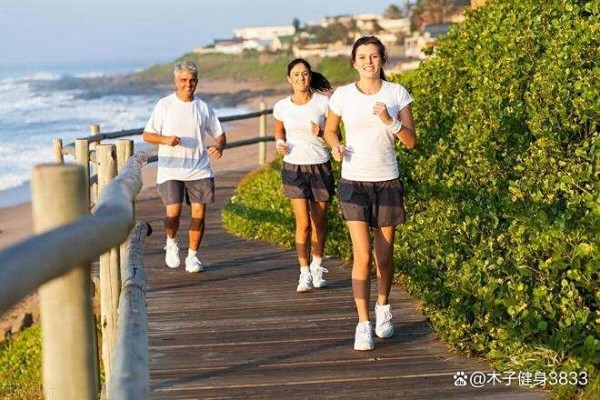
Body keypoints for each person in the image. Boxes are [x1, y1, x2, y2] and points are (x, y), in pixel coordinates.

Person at [323, 36, 417, 350]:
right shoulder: (343, 95)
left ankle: (383, 307)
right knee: (362, 255)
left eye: (374, 56)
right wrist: (335, 146)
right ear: (354, 62)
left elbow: (411, 142)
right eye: (362, 57)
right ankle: (363, 323)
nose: (368, 62)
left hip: (387, 181)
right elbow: (330, 130)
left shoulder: (397, 93)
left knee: (384, 258)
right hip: (354, 182)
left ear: (382, 60)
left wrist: (390, 121)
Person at [142, 60, 226, 273]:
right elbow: (147, 135)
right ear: (176, 80)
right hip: (171, 169)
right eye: (184, 80)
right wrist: (165, 139)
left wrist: (219, 146)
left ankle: (193, 256)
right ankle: (171, 242)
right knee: (174, 212)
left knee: (199, 214)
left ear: (197, 81)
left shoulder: (203, 107)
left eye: (192, 80)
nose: (188, 84)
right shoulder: (165, 105)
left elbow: (220, 134)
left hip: (199, 168)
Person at [273, 58, 334, 292]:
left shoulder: (323, 103)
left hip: (319, 166)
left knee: (319, 221)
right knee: (304, 223)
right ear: (289, 79)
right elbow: (279, 132)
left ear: (310, 76)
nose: (301, 78)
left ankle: (317, 267)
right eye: (296, 74)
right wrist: (280, 144)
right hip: (293, 167)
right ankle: (304, 272)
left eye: (305, 73)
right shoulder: (281, 106)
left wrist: (321, 132)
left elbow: (335, 135)